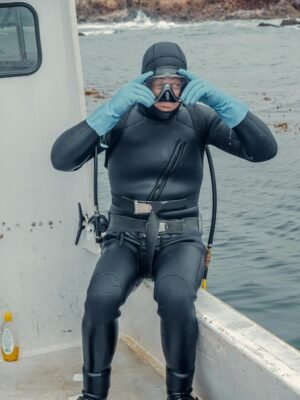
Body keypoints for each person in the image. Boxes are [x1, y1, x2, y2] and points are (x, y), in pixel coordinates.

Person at [51, 42, 277, 400]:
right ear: (144, 83)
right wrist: (109, 111)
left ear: (188, 85)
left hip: (181, 237)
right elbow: (61, 158)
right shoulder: (120, 118)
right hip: (124, 234)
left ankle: (179, 395)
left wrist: (223, 103)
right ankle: (93, 395)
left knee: (174, 297)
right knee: (100, 299)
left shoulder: (200, 119)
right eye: (159, 85)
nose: (169, 93)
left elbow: (264, 150)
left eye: (177, 84)